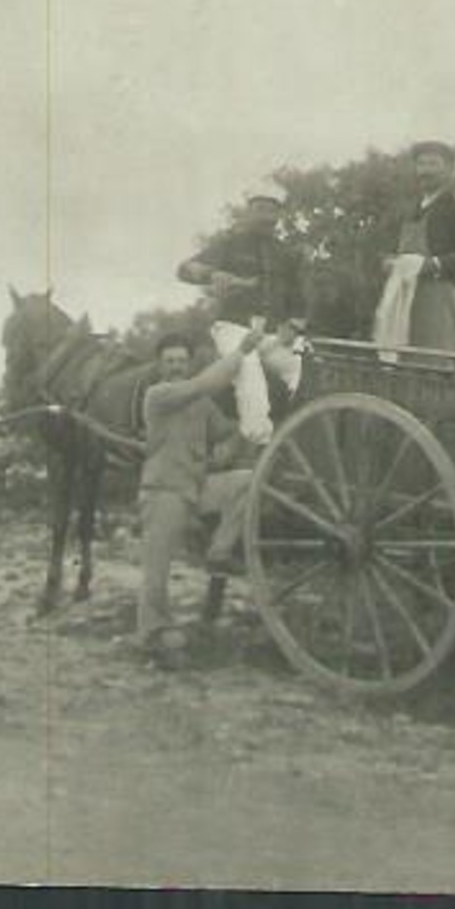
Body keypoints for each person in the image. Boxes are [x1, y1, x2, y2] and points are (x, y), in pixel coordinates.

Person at [137, 329, 266, 656]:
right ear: (159, 366)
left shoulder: (201, 404)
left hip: (196, 489)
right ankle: (153, 635)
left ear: (188, 362)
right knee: (157, 571)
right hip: (165, 492)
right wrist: (241, 352)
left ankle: (219, 552)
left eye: (181, 361)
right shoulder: (158, 395)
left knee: (247, 481)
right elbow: (205, 384)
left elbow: (227, 431)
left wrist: (237, 439)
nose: (176, 366)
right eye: (169, 361)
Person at [176, 191, 308, 445]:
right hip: (233, 330)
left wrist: (293, 327)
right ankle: (258, 445)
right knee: (248, 371)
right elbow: (184, 269)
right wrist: (211, 274)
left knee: (303, 366)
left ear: (279, 215)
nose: (265, 216)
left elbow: (300, 301)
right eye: (259, 209)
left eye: (271, 210)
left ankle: (298, 432)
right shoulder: (230, 245)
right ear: (248, 212)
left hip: (272, 336)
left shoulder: (287, 254)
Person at [379, 140, 455, 352]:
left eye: (433, 164)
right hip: (402, 294)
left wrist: (432, 264)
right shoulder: (412, 208)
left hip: (436, 296)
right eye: (421, 164)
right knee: (398, 356)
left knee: (432, 361)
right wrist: (389, 262)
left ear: (450, 169)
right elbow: (393, 248)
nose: (425, 171)